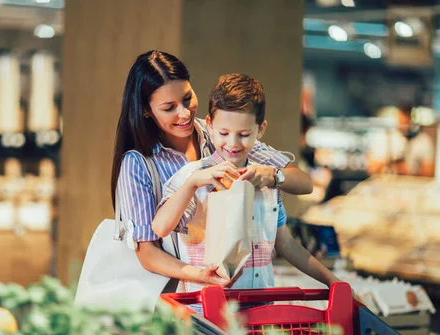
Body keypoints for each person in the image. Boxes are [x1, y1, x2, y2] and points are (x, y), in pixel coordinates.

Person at [111, 50, 313, 290]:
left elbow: (301, 182)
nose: (184, 113)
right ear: (146, 110)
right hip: (173, 298)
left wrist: (272, 176)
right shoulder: (138, 163)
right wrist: (202, 276)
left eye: (187, 99)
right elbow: (147, 253)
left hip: (233, 292)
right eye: (169, 108)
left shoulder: (222, 134)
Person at [152, 73, 340, 294]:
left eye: (243, 134)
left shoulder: (267, 181)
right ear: (210, 125)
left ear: (260, 130)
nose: (232, 143)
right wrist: (192, 183)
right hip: (204, 315)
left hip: (259, 311)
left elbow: (285, 243)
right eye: (224, 133)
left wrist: (332, 281)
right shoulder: (194, 176)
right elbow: (160, 228)